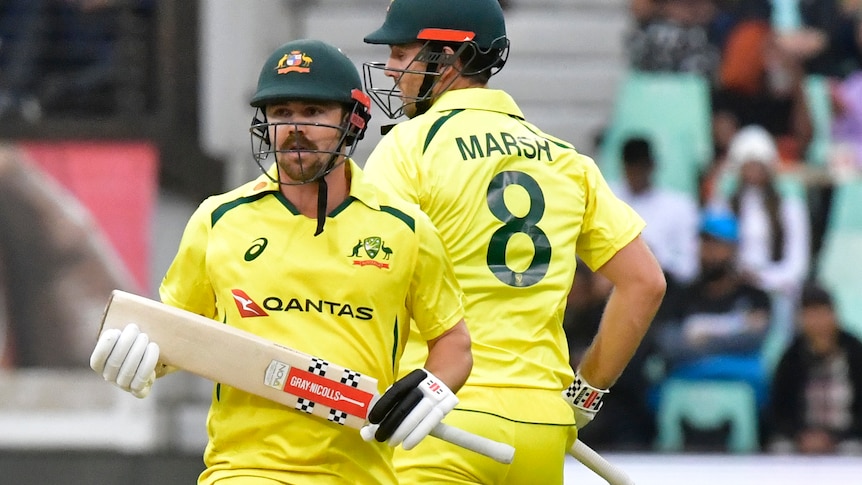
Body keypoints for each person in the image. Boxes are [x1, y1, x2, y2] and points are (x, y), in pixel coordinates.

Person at [89, 39, 473, 485]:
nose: (294, 128)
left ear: (353, 121)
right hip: (245, 470)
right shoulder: (220, 219)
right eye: (281, 113)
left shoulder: (405, 228)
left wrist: (431, 389)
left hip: (360, 473)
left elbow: (453, 342)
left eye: (313, 114)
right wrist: (139, 361)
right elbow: (175, 333)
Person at [361, 1, 667, 483]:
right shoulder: (568, 160)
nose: (392, 71)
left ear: (452, 58)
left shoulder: (410, 146)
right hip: (542, 422)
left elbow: (367, 276)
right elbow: (645, 284)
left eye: (403, 54)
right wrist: (583, 398)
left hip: (438, 415)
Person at [655, 209, 773, 406]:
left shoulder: (754, 296)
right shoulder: (681, 296)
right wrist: (734, 332)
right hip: (685, 382)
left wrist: (699, 337)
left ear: (734, 248)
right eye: (704, 242)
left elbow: (755, 339)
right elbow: (668, 343)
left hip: (741, 382)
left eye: (717, 243)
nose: (709, 251)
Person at [767, 283, 862, 455]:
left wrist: (834, 437)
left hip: (847, 437)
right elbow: (779, 410)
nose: (818, 322)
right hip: (802, 438)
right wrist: (801, 435)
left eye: (822, 313)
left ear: (834, 315)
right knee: (780, 449)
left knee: (853, 451)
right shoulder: (791, 357)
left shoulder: (855, 352)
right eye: (810, 315)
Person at [610, 136, 700, 288]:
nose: (636, 171)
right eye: (631, 165)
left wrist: (654, 259)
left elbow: (689, 267)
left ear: (652, 165)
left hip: (664, 288)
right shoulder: (606, 198)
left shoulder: (680, 206)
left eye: (641, 165)